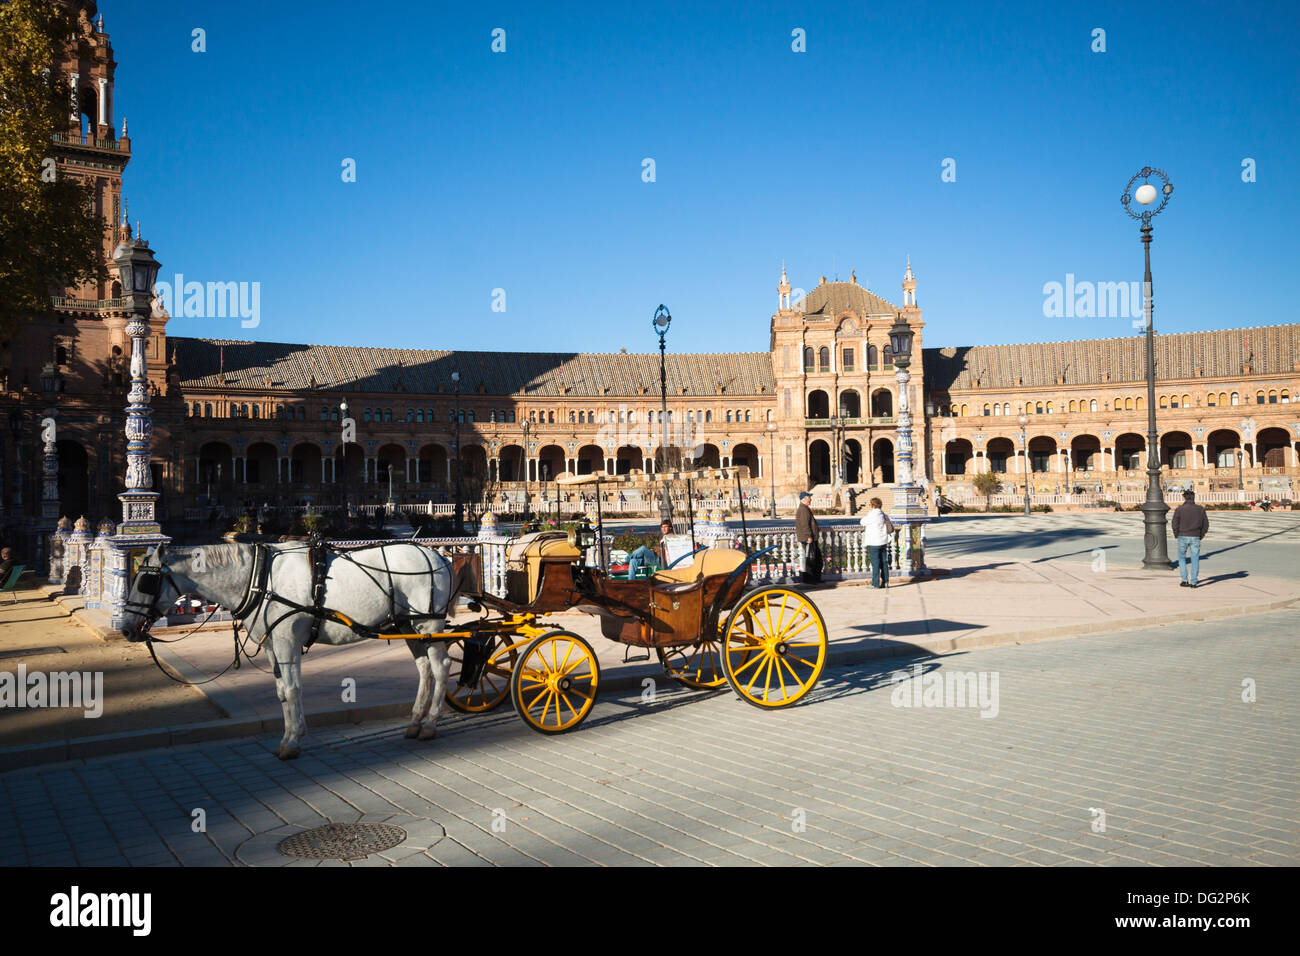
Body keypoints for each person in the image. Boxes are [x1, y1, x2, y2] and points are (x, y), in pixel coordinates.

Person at [1171, 489, 1209, 588]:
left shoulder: (1180, 509)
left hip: (1182, 536)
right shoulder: (1200, 509)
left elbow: (1174, 523)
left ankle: (1184, 580)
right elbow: (1206, 524)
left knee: (1182, 558)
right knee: (1195, 559)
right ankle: (1194, 582)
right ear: (1193, 497)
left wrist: (1176, 534)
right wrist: (1201, 535)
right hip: (1195, 536)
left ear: (1184, 497)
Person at [859, 497, 894, 588]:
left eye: (870, 504)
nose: (869, 506)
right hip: (883, 541)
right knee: (884, 562)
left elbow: (862, 522)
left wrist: (868, 513)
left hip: (874, 542)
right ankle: (885, 582)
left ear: (873, 505)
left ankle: (875, 583)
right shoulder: (883, 514)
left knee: (875, 563)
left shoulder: (872, 514)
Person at [795, 491, 822, 584]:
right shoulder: (803, 509)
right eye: (809, 498)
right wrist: (808, 536)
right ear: (805, 499)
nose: (810, 499)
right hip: (809, 539)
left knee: (813, 559)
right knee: (812, 559)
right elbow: (804, 525)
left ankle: (813, 579)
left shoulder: (805, 508)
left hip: (811, 538)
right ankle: (811, 579)